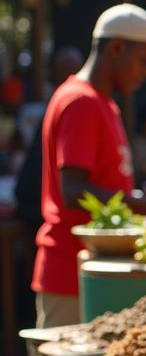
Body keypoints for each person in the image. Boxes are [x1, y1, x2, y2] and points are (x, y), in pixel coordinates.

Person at [31, 4, 146, 327]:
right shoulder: (81, 101)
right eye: (144, 61)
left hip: (94, 272)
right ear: (117, 48)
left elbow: (108, 185)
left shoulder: (104, 103)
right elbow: (74, 191)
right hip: (71, 274)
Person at [14, 46, 84, 232]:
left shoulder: (79, 104)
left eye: (74, 71)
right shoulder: (55, 108)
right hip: (38, 206)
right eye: (64, 71)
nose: (69, 77)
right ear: (52, 73)